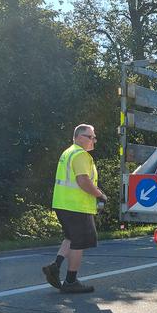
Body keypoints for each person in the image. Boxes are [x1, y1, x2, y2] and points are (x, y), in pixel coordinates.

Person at [42, 124, 107, 293]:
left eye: (94, 137)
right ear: (78, 137)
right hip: (76, 206)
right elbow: (83, 181)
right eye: (89, 137)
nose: (93, 140)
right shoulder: (80, 154)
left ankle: (55, 266)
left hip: (63, 204)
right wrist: (100, 195)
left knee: (70, 238)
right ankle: (71, 282)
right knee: (79, 243)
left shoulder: (68, 152)